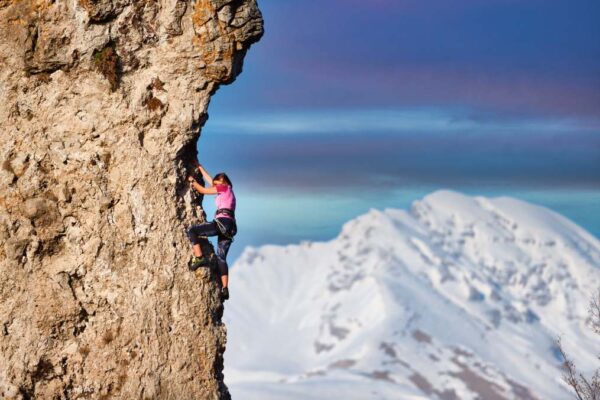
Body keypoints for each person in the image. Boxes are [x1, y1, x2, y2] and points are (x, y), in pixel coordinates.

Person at [187, 160, 237, 300]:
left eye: (218, 183)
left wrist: (192, 181)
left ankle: (199, 258)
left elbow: (203, 189)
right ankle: (225, 288)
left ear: (224, 182)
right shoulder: (228, 191)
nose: (216, 185)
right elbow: (211, 181)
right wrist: (199, 167)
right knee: (221, 258)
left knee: (192, 230)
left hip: (222, 222)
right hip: (230, 227)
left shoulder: (223, 188)